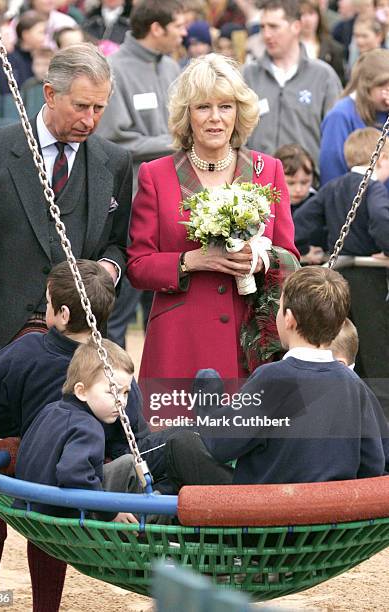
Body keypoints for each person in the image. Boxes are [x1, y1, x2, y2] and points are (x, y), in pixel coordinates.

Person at [0, 43, 132, 612]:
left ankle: (45, 607)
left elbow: (118, 243)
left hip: (73, 353)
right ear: (47, 95)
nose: (91, 119)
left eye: (100, 108)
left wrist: (110, 269)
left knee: (56, 487)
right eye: (81, 106)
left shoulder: (113, 162)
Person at [127, 53, 299, 387]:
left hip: (251, 341)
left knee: (247, 437)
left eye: (226, 106)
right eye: (203, 107)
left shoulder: (269, 170)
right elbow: (137, 266)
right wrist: (191, 260)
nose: (215, 118)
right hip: (180, 342)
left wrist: (259, 258)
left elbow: (291, 257)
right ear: (186, 115)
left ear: (239, 112)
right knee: (177, 438)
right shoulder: (156, 175)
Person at [165, 267, 389, 490]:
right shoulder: (355, 386)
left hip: (268, 517)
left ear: (289, 319)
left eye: (279, 308)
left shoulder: (272, 379)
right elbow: (373, 463)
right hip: (332, 518)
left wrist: (207, 394)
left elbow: (221, 443)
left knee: (181, 444)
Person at [96, 0, 187, 348]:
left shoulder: (171, 67)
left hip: (176, 201)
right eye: (178, 26)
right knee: (120, 309)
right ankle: (115, 391)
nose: (183, 33)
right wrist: (176, 141)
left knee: (167, 307)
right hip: (134, 203)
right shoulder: (114, 69)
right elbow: (113, 139)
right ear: (156, 28)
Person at [294, 126, 389, 417]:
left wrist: (308, 248)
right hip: (368, 280)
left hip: (337, 282)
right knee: (376, 357)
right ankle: (383, 435)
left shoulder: (332, 188)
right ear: (381, 157)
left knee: (342, 352)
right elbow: (382, 220)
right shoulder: (372, 188)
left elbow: (299, 221)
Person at [15, 338, 140, 522]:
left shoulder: (50, 410)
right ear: (81, 391)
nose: (122, 401)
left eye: (126, 392)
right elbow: (73, 475)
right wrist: (111, 514)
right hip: (64, 517)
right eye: (113, 392)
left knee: (128, 464)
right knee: (138, 478)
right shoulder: (89, 427)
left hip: (29, 507)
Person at [242, 0, 342, 173]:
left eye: (274, 27)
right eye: (262, 27)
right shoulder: (248, 75)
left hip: (307, 189)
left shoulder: (323, 76)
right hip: (256, 187)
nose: (266, 35)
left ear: (296, 27)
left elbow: (335, 140)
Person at [319, 48, 389, 188]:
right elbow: (332, 177)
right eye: (385, 89)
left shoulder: (383, 110)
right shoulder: (341, 116)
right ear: (367, 86)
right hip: (360, 205)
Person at [274, 142, 325, 264]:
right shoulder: (269, 206)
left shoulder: (317, 204)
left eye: (305, 182)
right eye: (291, 183)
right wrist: (304, 256)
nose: (298, 189)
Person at [299, 0, 345, 85]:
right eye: (303, 14)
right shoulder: (288, 46)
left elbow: (339, 83)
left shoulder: (333, 48)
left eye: (311, 13)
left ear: (318, 17)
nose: (307, 19)